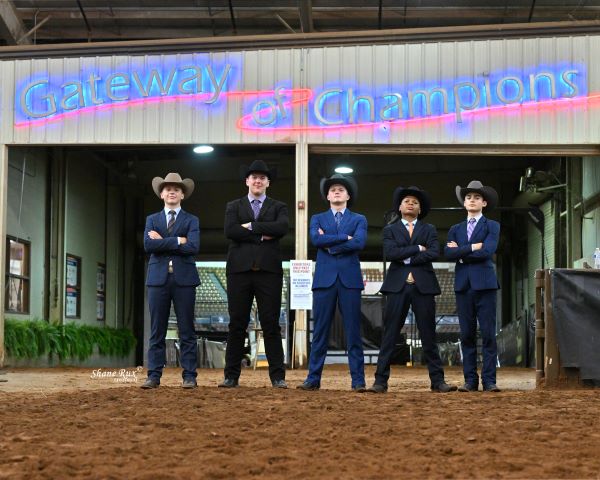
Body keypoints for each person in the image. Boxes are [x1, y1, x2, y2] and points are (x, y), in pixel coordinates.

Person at [368, 186, 457, 393]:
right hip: (397, 286)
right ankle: (380, 382)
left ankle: (438, 381)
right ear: (399, 207)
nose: (411, 204)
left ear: (420, 209)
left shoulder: (429, 229)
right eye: (407, 201)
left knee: (428, 335)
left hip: (423, 286)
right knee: (389, 335)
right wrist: (417, 249)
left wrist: (404, 255)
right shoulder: (390, 230)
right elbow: (391, 253)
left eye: (415, 202)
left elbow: (435, 252)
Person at [220, 160, 289, 389]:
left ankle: (278, 377)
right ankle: (231, 376)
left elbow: (281, 228)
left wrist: (250, 227)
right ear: (247, 181)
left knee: (271, 324)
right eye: (254, 177)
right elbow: (230, 230)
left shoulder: (279, 206)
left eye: (262, 177)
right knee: (237, 323)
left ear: (268, 182)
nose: (257, 181)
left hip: (269, 272)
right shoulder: (233, 205)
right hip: (239, 271)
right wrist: (262, 234)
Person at [297, 174, 367, 392]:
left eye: (341, 189)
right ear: (327, 196)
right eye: (333, 189)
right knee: (319, 331)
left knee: (354, 332)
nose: (336, 191)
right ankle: (313, 378)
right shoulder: (317, 218)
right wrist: (344, 239)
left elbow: (360, 242)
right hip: (325, 280)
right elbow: (316, 240)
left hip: (350, 281)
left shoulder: (359, 219)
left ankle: (358, 381)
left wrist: (331, 243)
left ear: (348, 195)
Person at [141, 173, 200, 389]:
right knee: (157, 330)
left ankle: (189, 375)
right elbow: (149, 246)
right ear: (162, 194)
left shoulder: (192, 220)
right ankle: (153, 375)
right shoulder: (152, 219)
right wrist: (177, 240)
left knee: (187, 330)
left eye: (176, 189)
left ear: (182, 194)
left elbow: (193, 247)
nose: (172, 191)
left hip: (184, 280)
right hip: (158, 280)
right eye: (167, 189)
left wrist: (163, 241)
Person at [445, 180, 501, 392]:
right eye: (468, 197)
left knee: (488, 334)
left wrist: (462, 252)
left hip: (485, 285)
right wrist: (472, 247)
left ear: (484, 203)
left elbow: (488, 251)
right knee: (466, 334)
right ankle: (470, 380)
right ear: (464, 202)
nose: (472, 200)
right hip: (464, 286)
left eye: (476, 197)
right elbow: (449, 253)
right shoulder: (455, 229)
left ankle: (489, 381)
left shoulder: (493, 226)